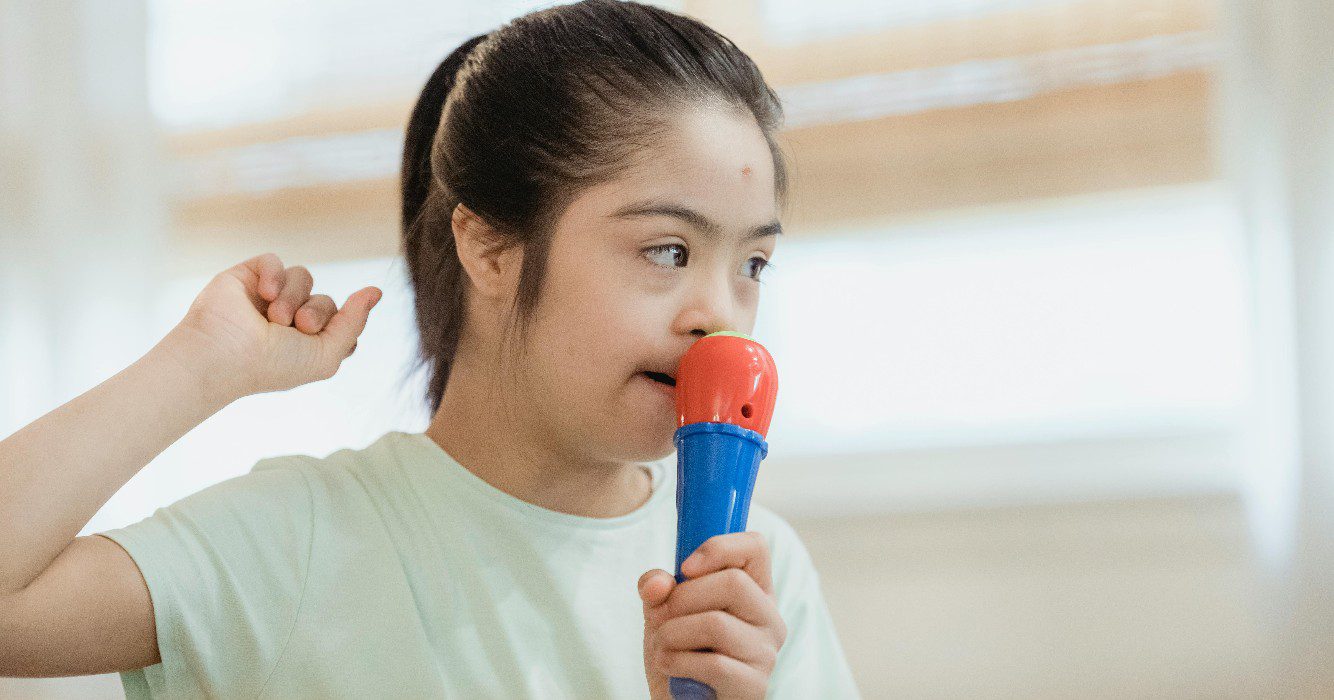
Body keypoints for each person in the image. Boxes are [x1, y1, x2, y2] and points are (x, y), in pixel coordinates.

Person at [0, 1, 860, 697]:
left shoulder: (759, 573)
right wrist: (194, 366)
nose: (720, 316)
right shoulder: (302, 541)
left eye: (753, 263)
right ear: (488, 248)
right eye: (667, 251)